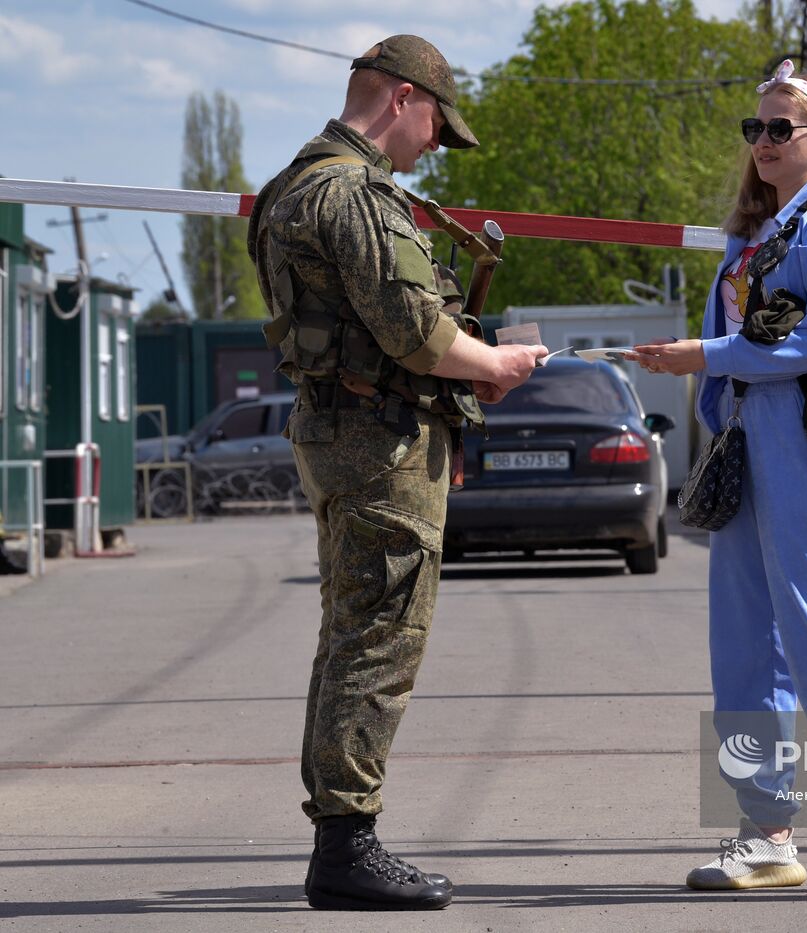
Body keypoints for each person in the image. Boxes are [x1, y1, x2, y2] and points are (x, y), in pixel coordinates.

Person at [247, 35, 547, 911]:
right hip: (380, 443)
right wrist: (492, 365)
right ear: (402, 98)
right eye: (434, 129)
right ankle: (347, 846)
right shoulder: (354, 193)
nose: (431, 149)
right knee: (381, 636)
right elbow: (416, 331)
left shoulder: (288, 187)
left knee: (350, 631)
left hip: (339, 431)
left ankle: (341, 835)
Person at [631, 60, 807, 895]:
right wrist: (709, 385)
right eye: (753, 129)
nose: (761, 142)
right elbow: (724, 345)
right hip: (747, 439)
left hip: (803, 435)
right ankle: (766, 828)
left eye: (779, 129)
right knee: (741, 645)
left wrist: (707, 356)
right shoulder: (748, 234)